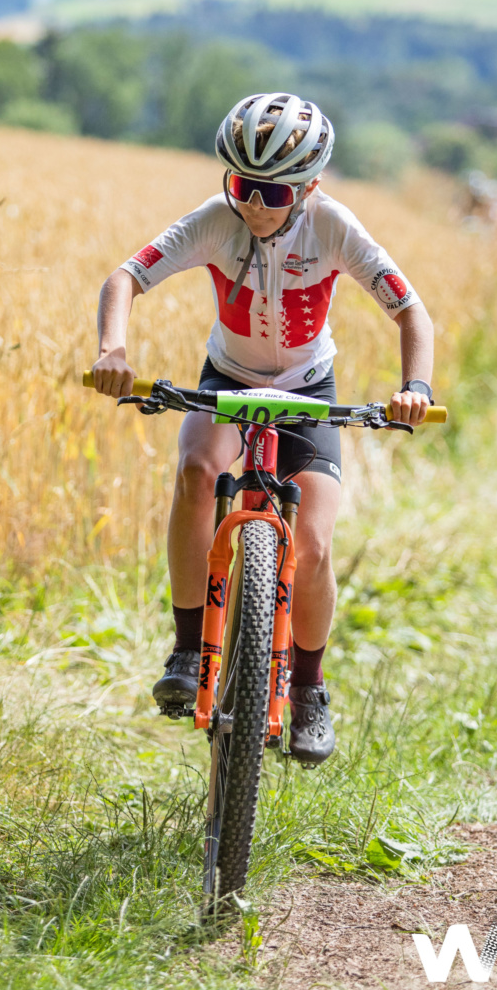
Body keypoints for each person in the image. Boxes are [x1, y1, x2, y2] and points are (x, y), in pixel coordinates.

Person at [90, 93, 434, 765]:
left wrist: (414, 388)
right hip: (228, 380)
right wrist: (113, 351)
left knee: (314, 543)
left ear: (309, 187)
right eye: (241, 184)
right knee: (196, 472)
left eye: (271, 193)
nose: (253, 204)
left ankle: (308, 690)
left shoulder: (334, 227)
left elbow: (410, 311)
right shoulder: (216, 220)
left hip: (309, 391)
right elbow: (125, 278)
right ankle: (187, 648)